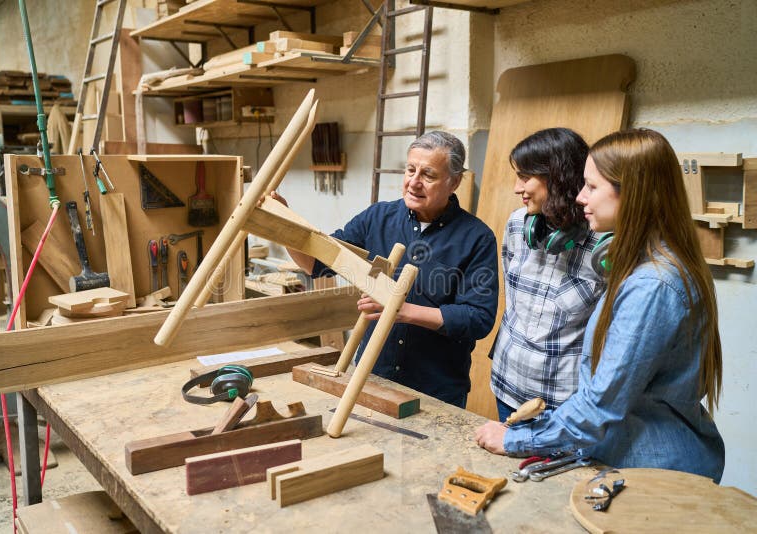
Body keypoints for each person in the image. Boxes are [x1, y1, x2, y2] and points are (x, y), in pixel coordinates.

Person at [474, 128, 725, 482]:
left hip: (652, 470)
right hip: (626, 455)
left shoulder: (652, 286)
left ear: (632, 194)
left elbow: (601, 405)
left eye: (591, 187)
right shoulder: (640, 266)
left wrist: (516, 439)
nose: (580, 196)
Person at [271, 131, 498, 408]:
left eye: (428, 175)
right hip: (372, 378)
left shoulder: (476, 238)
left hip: (436, 391)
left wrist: (403, 311)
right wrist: (283, 223)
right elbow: (316, 265)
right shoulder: (377, 218)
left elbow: (478, 318)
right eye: (410, 170)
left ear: (454, 182)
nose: (414, 182)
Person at [491, 128, 605, 423]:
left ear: (556, 178)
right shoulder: (517, 225)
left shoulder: (602, 245)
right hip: (507, 384)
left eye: (525, 177)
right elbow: (512, 302)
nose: (517, 188)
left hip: (563, 401)